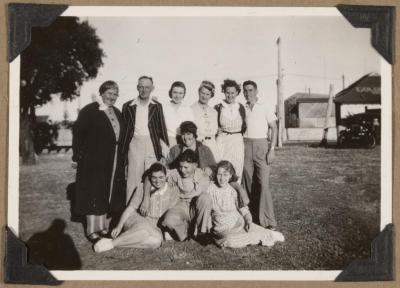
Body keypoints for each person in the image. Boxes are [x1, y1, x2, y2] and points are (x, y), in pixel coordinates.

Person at [72, 80, 126, 242]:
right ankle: (91, 229)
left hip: (113, 158)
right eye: (109, 93)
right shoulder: (89, 111)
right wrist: (78, 156)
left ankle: (102, 227)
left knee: (105, 191)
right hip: (93, 160)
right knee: (93, 191)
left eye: (115, 94)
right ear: (101, 93)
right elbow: (78, 134)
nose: (112, 97)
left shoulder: (117, 112)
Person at [93, 163, 179, 252]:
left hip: (154, 226)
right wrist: (119, 226)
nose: (157, 181)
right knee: (145, 229)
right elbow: (130, 209)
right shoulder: (143, 188)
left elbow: (171, 212)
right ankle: (112, 244)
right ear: (150, 177)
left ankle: (113, 242)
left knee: (156, 242)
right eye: (154, 177)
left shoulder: (172, 190)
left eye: (161, 177)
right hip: (136, 219)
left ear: (166, 176)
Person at [207, 161, 284, 248]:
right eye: (219, 174)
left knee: (252, 227)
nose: (221, 178)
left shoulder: (232, 190)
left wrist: (248, 220)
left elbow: (243, 209)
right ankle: (263, 236)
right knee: (229, 240)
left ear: (230, 176)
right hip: (222, 229)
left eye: (225, 175)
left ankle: (266, 234)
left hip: (238, 223)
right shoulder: (210, 189)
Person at [121, 76, 169, 206]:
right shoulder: (128, 106)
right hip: (134, 145)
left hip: (152, 145)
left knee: (152, 177)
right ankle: (130, 215)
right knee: (133, 179)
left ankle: (150, 211)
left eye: (147, 87)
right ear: (137, 87)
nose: (144, 90)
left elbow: (162, 129)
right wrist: (123, 154)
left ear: (152, 89)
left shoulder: (157, 106)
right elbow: (124, 132)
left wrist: (163, 153)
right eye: (141, 87)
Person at [242, 80, 278, 230]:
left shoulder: (265, 106)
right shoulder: (241, 108)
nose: (248, 93)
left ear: (256, 91)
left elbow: (274, 128)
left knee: (263, 184)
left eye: (250, 90)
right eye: (245, 91)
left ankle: (269, 221)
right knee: (247, 183)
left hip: (261, 145)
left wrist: (272, 149)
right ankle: (251, 217)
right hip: (245, 145)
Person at [160, 150, 213, 241]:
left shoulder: (202, 175)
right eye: (180, 167)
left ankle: (202, 233)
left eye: (186, 167)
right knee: (168, 220)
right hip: (181, 205)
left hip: (195, 207)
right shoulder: (175, 173)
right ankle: (185, 233)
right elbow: (156, 174)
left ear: (195, 165)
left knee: (206, 197)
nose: (182, 170)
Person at [215, 79, 246, 183]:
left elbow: (245, 125)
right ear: (224, 92)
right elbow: (213, 125)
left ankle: (234, 196)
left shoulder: (241, 107)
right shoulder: (218, 107)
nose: (230, 95)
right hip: (222, 141)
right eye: (227, 92)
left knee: (236, 169)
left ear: (237, 92)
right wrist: (216, 131)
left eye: (232, 92)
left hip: (237, 141)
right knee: (222, 167)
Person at [191, 81, 219, 160]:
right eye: (202, 93)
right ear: (198, 92)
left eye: (207, 94)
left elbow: (215, 131)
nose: (204, 96)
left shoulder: (214, 112)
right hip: (197, 145)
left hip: (213, 146)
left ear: (211, 95)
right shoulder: (191, 109)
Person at [163, 81, 194, 146]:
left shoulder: (188, 109)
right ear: (171, 92)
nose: (177, 96)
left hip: (184, 142)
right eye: (175, 92)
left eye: (180, 93)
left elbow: (191, 130)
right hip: (167, 141)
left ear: (184, 94)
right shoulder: (163, 108)